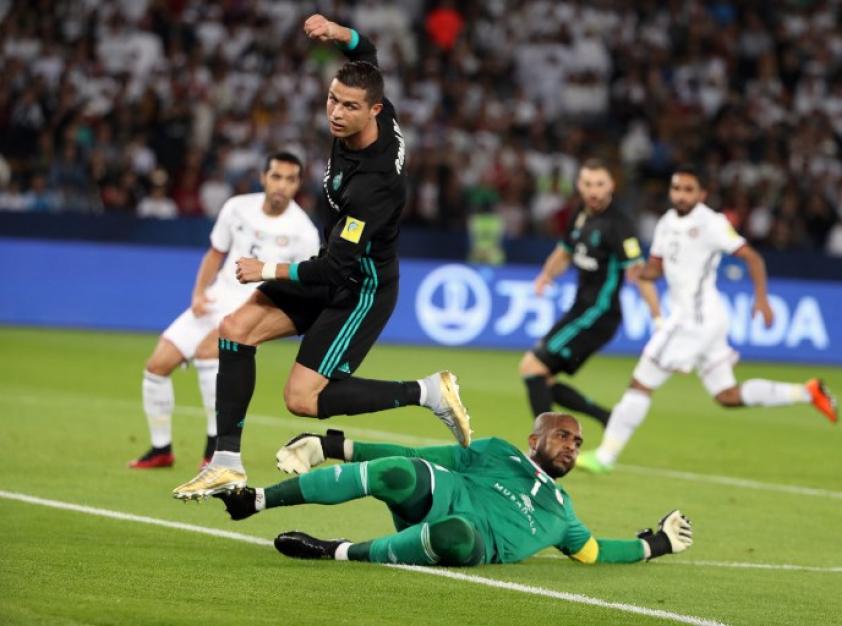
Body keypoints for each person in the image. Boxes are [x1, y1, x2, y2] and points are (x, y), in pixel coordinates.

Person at [173, 15, 470, 500]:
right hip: (334, 264)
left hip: (362, 287)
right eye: (333, 99)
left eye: (349, 107)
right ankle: (226, 463)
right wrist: (339, 32)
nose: (336, 112)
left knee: (302, 399)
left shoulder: (375, 186)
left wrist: (265, 270)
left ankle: (428, 392)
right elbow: (367, 51)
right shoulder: (377, 108)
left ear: (374, 111)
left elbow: (336, 268)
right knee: (234, 329)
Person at [578, 166, 838, 474]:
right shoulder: (666, 223)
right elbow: (657, 267)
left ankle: (605, 457)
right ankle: (807, 392)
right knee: (726, 395)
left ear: (702, 194)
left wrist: (762, 299)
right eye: (677, 189)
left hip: (694, 319)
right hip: (704, 319)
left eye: (689, 190)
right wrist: (639, 272)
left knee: (641, 383)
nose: (681, 195)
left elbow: (752, 257)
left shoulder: (712, 223)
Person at [215, 413, 694, 566]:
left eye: (578, 442)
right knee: (399, 473)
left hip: (474, 538)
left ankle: (334, 551)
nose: (572, 446)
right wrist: (335, 444)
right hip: (444, 495)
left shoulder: (563, 511)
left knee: (456, 534)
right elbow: (415, 453)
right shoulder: (496, 452)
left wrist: (656, 544)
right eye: (563, 435)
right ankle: (255, 500)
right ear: (535, 440)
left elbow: (594, 552)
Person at [130, 152, 320, 469]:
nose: (281, 185)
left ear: (298, 184)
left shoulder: (304, 232)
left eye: (290, 179)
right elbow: (215, 254)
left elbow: (304, 283)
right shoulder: (237, 207)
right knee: (156, 367)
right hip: (216, 298)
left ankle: (213, 450)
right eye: (276, 176)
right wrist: (198, 294)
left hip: (253, 307)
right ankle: (161, 449)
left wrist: (267, 319)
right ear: (264, 177)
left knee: (208, 355)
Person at [519, 159, 659, 427]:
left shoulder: (619, 225)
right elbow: (564, 252)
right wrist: (546, 275)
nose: (593, 191)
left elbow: (640, 273)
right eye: (587, 184)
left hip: (598, 314)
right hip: (580, 310)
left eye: (599, 184)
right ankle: (609, 419)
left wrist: (658, 318)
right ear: (579, 185)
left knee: (531, 367)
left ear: (611, 186)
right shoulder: (580, 214)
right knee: (542, 379)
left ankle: (544, 448)